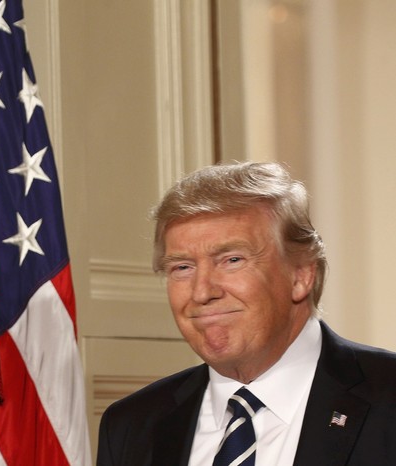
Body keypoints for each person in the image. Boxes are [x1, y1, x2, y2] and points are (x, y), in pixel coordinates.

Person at [96, 161, 396, 465]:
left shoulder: (388, 397)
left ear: (301, 275)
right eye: (182, 267)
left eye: (232, 260)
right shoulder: (130, 426)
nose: (202, 292)